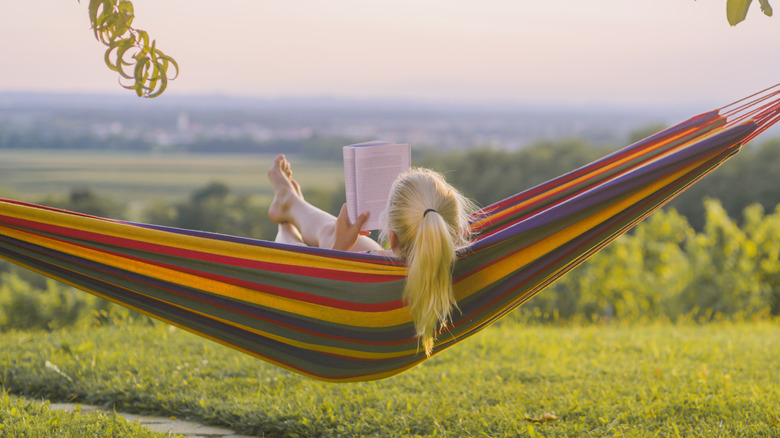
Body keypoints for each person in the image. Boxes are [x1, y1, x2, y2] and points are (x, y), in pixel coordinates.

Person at [268, 154, 478, 355]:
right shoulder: (474, 266)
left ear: (392, 237)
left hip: (341, 342)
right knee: (331, 232)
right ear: (457, 233)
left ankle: (287, 226)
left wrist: (340, 245)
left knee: (329, 235)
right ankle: (291, 205)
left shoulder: (370, 265)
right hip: (387, 342)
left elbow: (309, 294)